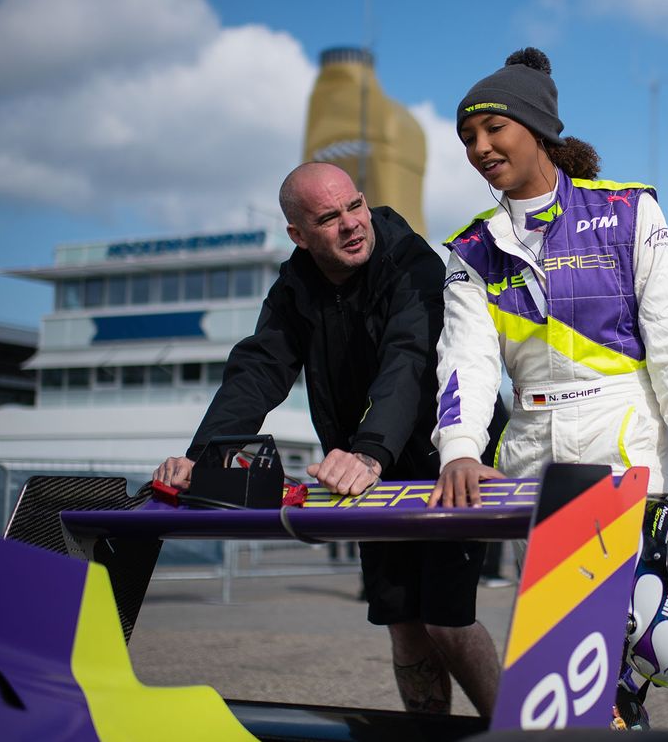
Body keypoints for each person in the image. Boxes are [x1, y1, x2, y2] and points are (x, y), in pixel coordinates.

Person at [152, 162, 501, 717]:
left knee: (447, 619)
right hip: (366, 473)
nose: (351, 224)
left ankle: (520, 735)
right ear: (299, 235)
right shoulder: (296, 287)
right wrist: (206, 457)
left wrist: (368, 451)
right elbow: (259, 369)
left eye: (355, 206)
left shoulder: (412, 265)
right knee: (403, 625)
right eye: (330, 217)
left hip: (443, 459)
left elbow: (407, 361)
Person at [427, 47, 668, 526]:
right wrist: (459, 451)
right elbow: (466, 359)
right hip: (528, 451)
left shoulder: (629, 212)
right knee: (548, 605)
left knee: (628, 603)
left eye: (494, 128)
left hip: (623, 442)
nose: (480, 147)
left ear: (538, 128)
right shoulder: (471, 246)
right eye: (468, 137)